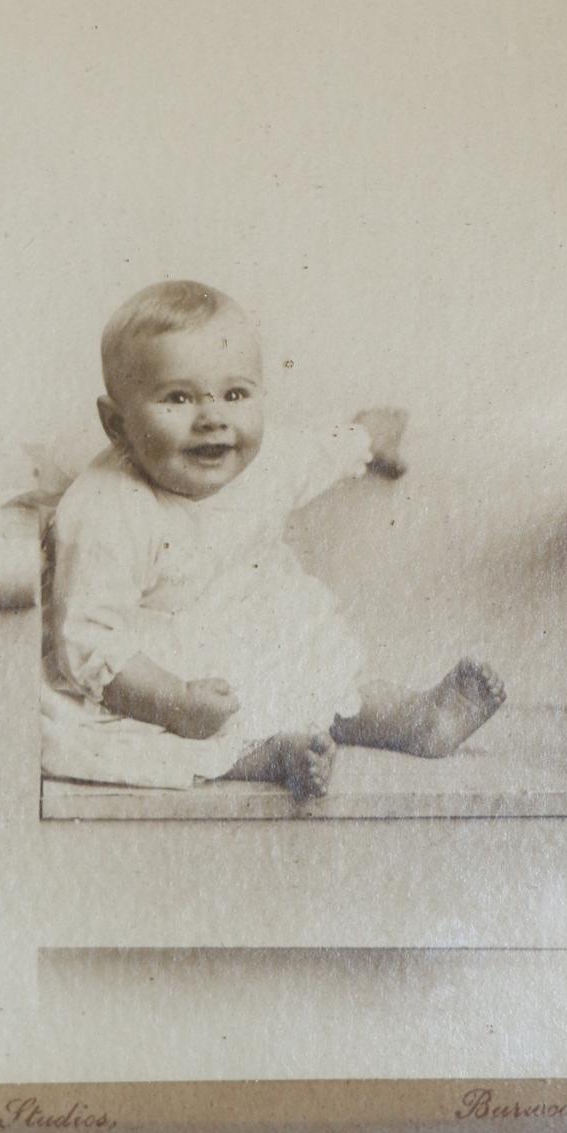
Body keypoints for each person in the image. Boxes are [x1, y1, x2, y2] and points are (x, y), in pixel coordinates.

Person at [41, 280, 505, 799]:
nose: (212, 418)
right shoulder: (105, 508)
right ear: (116, 424)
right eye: (178, 398)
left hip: (249, 636)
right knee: (123, 737)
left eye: (235, 394)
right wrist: (175, 700)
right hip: (153, 678)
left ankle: (413, 721)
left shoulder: (259, 464)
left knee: (315, 672)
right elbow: (88, 639)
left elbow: (313, 455)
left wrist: (368, 437)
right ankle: (269, 757)